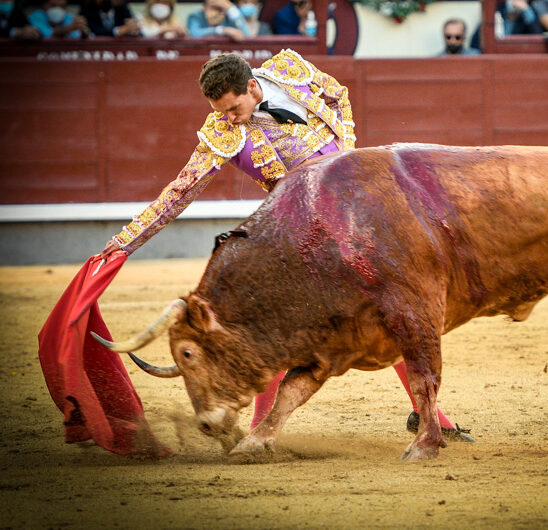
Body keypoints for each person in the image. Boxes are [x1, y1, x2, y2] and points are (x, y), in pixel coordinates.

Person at [98, 51, 471, 442]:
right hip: (301, 235)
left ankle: (427, 414)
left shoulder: (288, 69)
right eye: (219, 111)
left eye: (233, 108)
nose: (227, 118)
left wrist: (346, 154)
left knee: (393, 310)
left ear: (252, 87)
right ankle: (262, 429)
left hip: (359, 217)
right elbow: (178, 193)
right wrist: (123, 243)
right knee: (276, 324)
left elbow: (337, 94)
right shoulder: (223, 133)